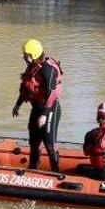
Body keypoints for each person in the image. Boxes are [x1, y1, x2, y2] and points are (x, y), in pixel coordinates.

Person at [12, 39, 63, 172]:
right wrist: (17, 105)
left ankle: (56, 171)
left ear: (33, 55)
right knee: (34, 141)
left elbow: (52, 93)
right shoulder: (32, 67)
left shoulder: (48, 69)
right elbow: (26, 88)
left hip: (51, 108)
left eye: (25, 54)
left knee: (49, 143)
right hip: (37, 108)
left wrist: (45, 115)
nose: (23, 57)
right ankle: (33, 168)